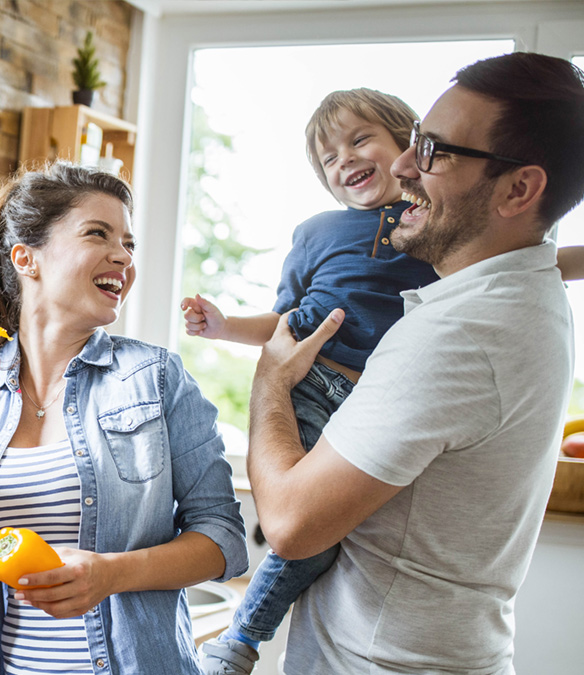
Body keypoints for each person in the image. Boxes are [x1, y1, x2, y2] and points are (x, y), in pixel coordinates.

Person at [247, 52, 584, 674]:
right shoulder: (527, 289)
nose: (404, 166)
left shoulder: (455, 334)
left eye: (433, 151)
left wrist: (270, 382)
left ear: (518, 189)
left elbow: (290, 524)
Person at [0, 162, 248, 675]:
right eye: (97, 234)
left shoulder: (156, 378)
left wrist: (111, 574)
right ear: (26, 258)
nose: (123, 256)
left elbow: (224, 540)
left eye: (129, 243)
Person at [182, 88, 440, 673]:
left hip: (372, 405)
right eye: (329, 158)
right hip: (311, 386)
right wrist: (223, 326)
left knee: (330, 531)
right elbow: (284, 322)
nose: (344, 159)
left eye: (360, 140)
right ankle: (240, 642)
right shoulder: (318, 231)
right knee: (306, 527)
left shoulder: (431, 226)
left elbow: (530, 261)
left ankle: (236, 639)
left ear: (407, 143)